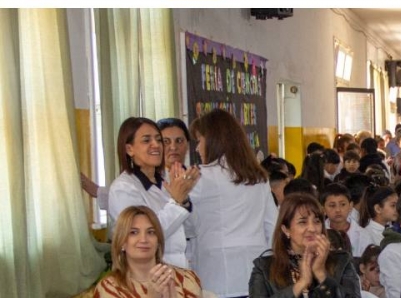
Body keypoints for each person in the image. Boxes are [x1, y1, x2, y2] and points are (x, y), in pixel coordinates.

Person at [188, 109, 278, 298]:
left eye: (199, 141)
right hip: (256, 269)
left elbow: (187, 226)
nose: (197, 148)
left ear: (214, 140)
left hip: (216, 273)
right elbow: (272, 225)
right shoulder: (258, 177)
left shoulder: (202, 178)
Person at [107, 118, 199, 269]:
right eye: (146, 140)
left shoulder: (166, 181)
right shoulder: (123, 188)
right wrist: (176, 201)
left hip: (179, 271)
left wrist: (184, 200)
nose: (156, 145)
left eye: (158, 140)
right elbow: (143, 236)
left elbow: (191, 230)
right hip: (145, 274)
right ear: (129, 149)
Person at [249, 193, 361, 298]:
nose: (312, 229)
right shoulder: (264, 267)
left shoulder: (341, 261)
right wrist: (302, 283)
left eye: (317, 221)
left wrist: (321, 274)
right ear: (286, 229)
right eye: (303, 222)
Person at [93, 205, 203, 298]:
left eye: (151, 232)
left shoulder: (187, 280)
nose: (144, 239)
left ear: (158, 241)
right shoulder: (109, 288)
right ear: (122, 242)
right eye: (133, 232)